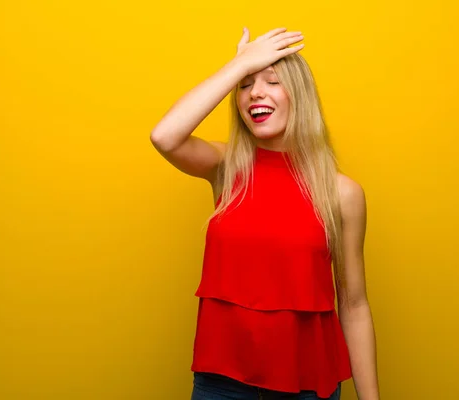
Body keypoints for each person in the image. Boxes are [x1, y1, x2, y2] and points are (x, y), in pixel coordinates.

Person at [151, 27, 380, 400]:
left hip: (308, 383)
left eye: (272, 81)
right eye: (245, 85)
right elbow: (165, 136)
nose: (255, 92)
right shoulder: (226, 166)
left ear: (299, 96)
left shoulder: (343, 193)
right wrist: (238, 64)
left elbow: (353, 304)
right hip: (220, 381)